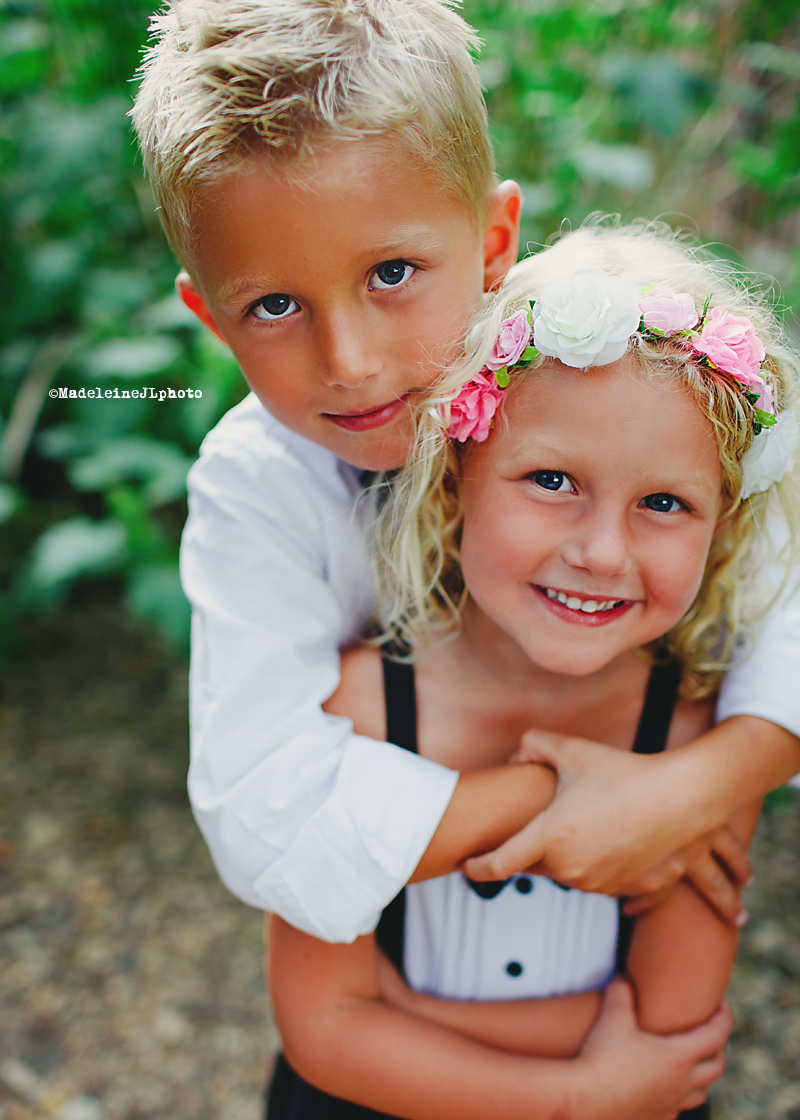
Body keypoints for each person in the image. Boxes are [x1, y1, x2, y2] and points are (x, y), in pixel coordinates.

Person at [131, 0, 800, 950]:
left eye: (393, 273)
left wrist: (706, 780)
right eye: (274, 304)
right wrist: (592, 792)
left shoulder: (599, 374)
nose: (351, 361)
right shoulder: (257, 485)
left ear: (494, 245)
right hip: (392, 973)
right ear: (211, 319)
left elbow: (787, 587)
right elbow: (261, 819)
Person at [266, 223, 800, 1119]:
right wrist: (584, 1089)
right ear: (454, 479)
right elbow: (318, 1034)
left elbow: (673, 1026)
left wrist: (391, 1018)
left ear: (723, 536)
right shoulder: (358, 705)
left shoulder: (697, 732)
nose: (600, 551)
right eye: (552, 480)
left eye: (664, 503)